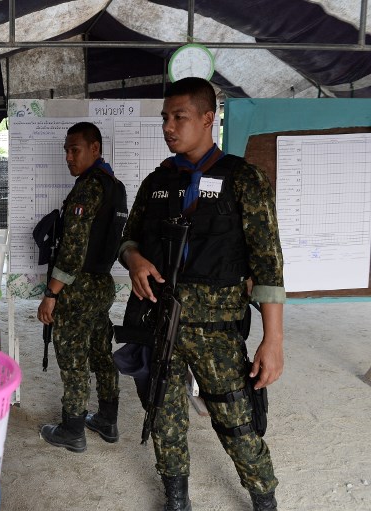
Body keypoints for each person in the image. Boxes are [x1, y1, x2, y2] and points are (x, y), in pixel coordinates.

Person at [118, 77, 284, 511]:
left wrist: (273, 339)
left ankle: (264, 498)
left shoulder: (244, 180)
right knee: (164, 417)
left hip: (217, 332)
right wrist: (134, 260)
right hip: (160, 321)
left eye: (180, 117)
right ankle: (177, 498)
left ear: (208, 118)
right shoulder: (157, 182)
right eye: (165, 118)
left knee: (237, 420)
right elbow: (128, 239)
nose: (169, 127)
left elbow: (269, 265)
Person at [37, 121, 128, 453]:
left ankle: (72, 428)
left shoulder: (88, 188)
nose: (68, 156)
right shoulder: (115, 187)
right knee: (101, 353)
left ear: (95, 149)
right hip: (103, 283)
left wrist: (51, 294)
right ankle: (107, 419)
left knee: (74, 357)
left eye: (75, 149)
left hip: (78, 287)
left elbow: (73, 249)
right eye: (66, 150)